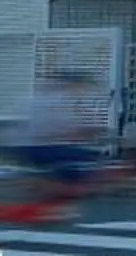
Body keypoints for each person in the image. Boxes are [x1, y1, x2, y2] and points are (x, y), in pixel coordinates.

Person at [1, 65, 108, 222]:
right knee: (86, 161)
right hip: (33, 145)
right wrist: (85, 132)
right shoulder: (56, 100)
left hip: (26, 144)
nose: (83, 92)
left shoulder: (48, 97)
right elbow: (56, 131)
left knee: (77, 164)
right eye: (81, 87)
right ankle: (48, 193)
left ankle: (48, 192)